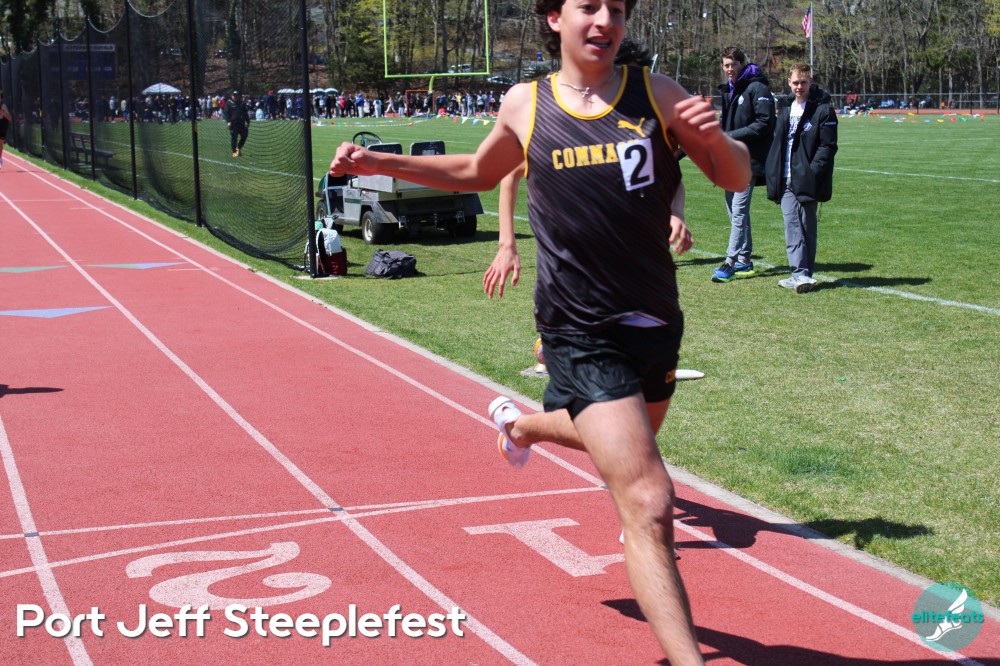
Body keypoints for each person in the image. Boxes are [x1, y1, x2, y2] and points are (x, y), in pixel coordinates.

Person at [329, 0, 750, 661]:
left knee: (630, 445)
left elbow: (735, 175)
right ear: (555, 17)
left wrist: (717, 140)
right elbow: (477, 172)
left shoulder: (656, 94)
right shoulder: (527, 103)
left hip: (654, 320)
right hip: (578, 326)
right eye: (589, 6)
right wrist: (380, 163)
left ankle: (522, 427)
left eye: (617, 8)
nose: (605, 20)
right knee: (648, 499)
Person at [765, 63, 838, 293]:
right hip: (785, 178)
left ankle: (804, 273)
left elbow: (828, 146)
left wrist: (811, 172)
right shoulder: (785, 111)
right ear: (789, 82)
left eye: (803, 82)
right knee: (791, 225)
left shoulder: (822, 110)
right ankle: (799, 273)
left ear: (810, 82)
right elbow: (777, 146)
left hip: (807, 179)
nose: (799, 87)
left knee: (806, 226)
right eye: (795, 82)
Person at [710, 46, 775, 283]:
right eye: (726, 65)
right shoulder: (729, 89)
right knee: (734, 212)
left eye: (733, 65)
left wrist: (731, 136)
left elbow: (765, 122)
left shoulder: (757, 87)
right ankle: (744, 260)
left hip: (749, 161)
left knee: (738, 212)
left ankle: (729, 263)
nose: (729, 69)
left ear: (742, 64)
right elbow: (725, 125)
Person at [222, 90, 250, 157]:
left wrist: (248, 121)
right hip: (233, 123)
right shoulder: (229, 103)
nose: (235, 97)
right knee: (234, 137)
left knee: (245, 135)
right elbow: (226, 113)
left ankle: (239, 147)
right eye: (234, 95)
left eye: (236, 95)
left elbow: (245, 113)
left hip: (241, 123)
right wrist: (228, 121)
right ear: (232, 96)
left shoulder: (241, 103)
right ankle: (234, 151)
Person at [0, 91, 11, 170]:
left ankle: (0, 157)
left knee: (0, 144)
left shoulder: (3, 106)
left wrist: (3, 113)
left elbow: (9, 118)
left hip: (2, 127)